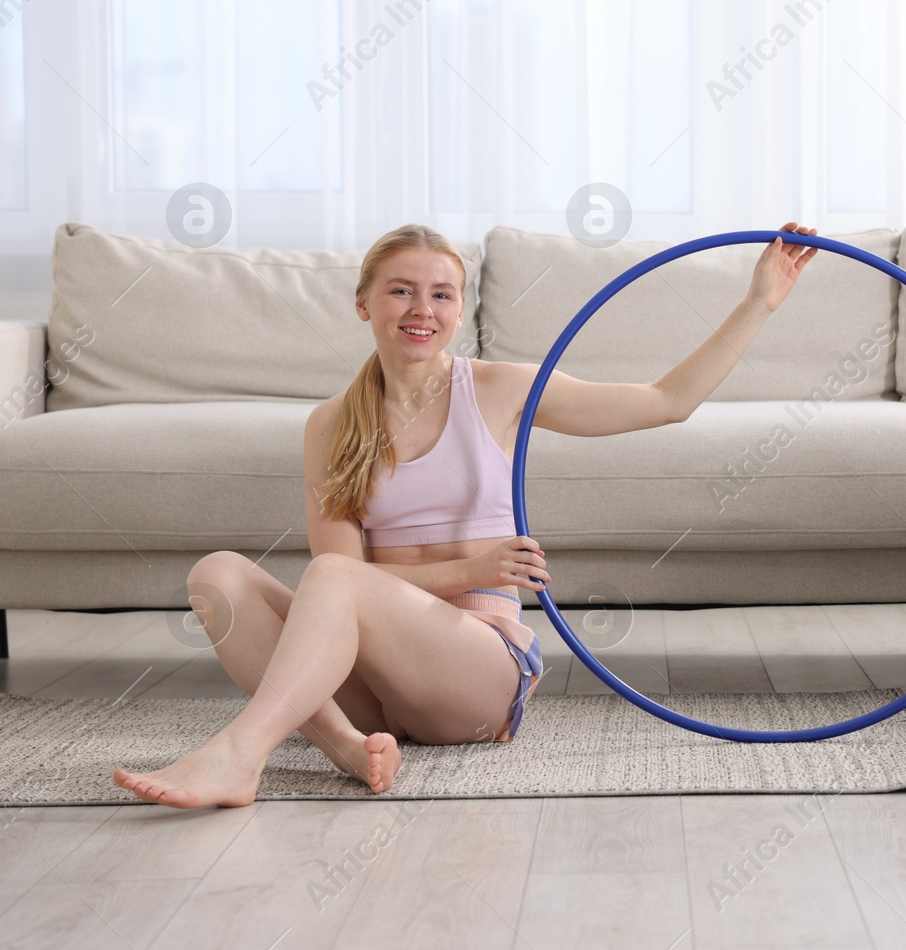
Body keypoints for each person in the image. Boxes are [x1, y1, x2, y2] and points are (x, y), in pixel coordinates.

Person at [112, 220, 819, 808]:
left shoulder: (499, 388)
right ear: (363, 302)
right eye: (401, 290)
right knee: (218, 576)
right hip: (374, 683)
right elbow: (343, 577)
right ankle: (350, 749)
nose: (422, 309)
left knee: (332, 577)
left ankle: (240, 752)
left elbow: (668, 401)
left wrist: (760, 299)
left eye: (441, 294)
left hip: (477, 671)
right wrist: (472, 564)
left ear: (459, 308)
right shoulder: (331, 425)